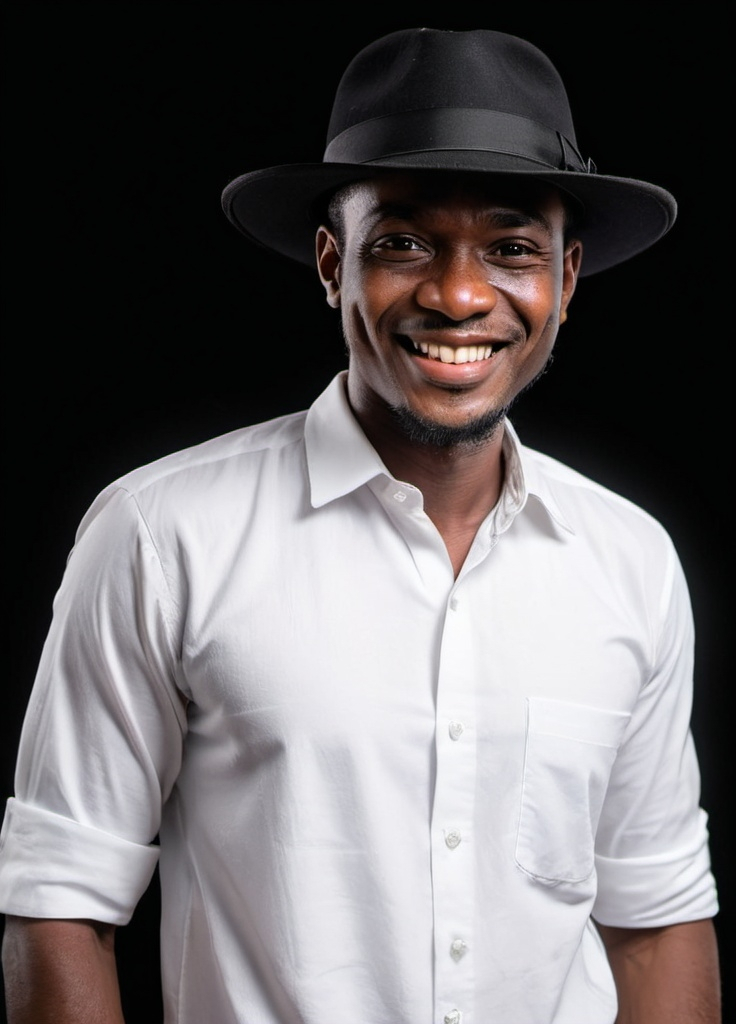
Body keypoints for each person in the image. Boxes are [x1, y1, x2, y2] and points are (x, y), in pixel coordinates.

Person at [0, 24, 722, 1024]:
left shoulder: (629, 559)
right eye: (405, 242)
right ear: (333, 265)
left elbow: (657, 916)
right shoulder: (159, 535)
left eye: (511, 247)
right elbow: (59, 904)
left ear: (564, 279)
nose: (459, 293)